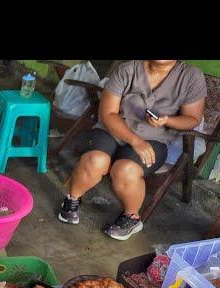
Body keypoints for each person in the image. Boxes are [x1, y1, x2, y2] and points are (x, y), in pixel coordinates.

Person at [58, 60, 207, 240]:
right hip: (111, 131)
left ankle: (131, 217)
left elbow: (192, 118)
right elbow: (107, 113)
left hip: (154, 139)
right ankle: (72, 199)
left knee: (126, 170)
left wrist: (167, 121)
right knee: (96, 159)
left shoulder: (191, 76)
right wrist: (135, 141)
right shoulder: (128, 69)